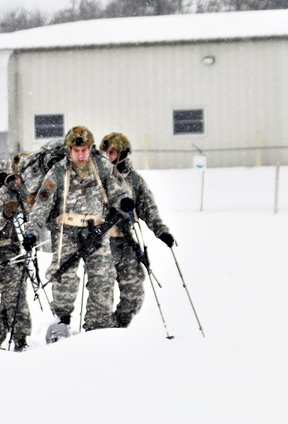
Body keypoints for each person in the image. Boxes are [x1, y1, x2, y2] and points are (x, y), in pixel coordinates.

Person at [24, 126, 132, 332]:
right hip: (66, 232)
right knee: (64, 280)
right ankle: (61, 323)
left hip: (97, 230)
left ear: (90, 148)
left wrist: (124, 201)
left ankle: (97, 327)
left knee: (103, 279)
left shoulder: (102, 167)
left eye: (84, 150)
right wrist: (31, 231)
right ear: (69, 150)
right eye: (76, 151)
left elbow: (118, 190)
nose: (81, 155)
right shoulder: (57, 171)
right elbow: (42, 205)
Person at [100, 132, 176, 328]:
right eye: (106, 152)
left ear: (123, 153)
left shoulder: (134, 181)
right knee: (101, 295)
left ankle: (118, 327)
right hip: (101, 243)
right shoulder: (97, 177)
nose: (109, 156)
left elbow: (148, 208)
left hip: (125, 242)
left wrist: (161, 231)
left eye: (113, 152)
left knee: (134, 293)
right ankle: (98, 333)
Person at [0, 157, 34, 351]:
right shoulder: (1, 195)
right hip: (2, 251)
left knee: (10, 297)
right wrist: (3, 215)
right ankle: (21, 340)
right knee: (15, 295)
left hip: (21, 251)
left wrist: (31, 236)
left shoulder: (26, 194)